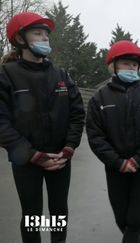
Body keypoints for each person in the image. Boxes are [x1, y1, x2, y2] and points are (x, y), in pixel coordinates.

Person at [0, 12, 85, 243]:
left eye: (46, 34)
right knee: (32, 215)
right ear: (19, 39)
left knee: (58, 213)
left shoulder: (61, 75)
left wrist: (68, 148)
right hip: (26, 161)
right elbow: (2, 123)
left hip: (60, 159)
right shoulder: (6, 76)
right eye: (37, 33)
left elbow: (77, 114)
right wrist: (34, 155)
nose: (45, 38)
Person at [86, 40, 140, 243]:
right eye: (125, 63)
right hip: (115, 168)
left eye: (134, 64)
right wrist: (118, 162)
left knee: (134, 218)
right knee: (121, 218)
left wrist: (138, 160)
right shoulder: (99, 99)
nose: (131, 68)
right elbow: (96, 136)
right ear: (113, 66)